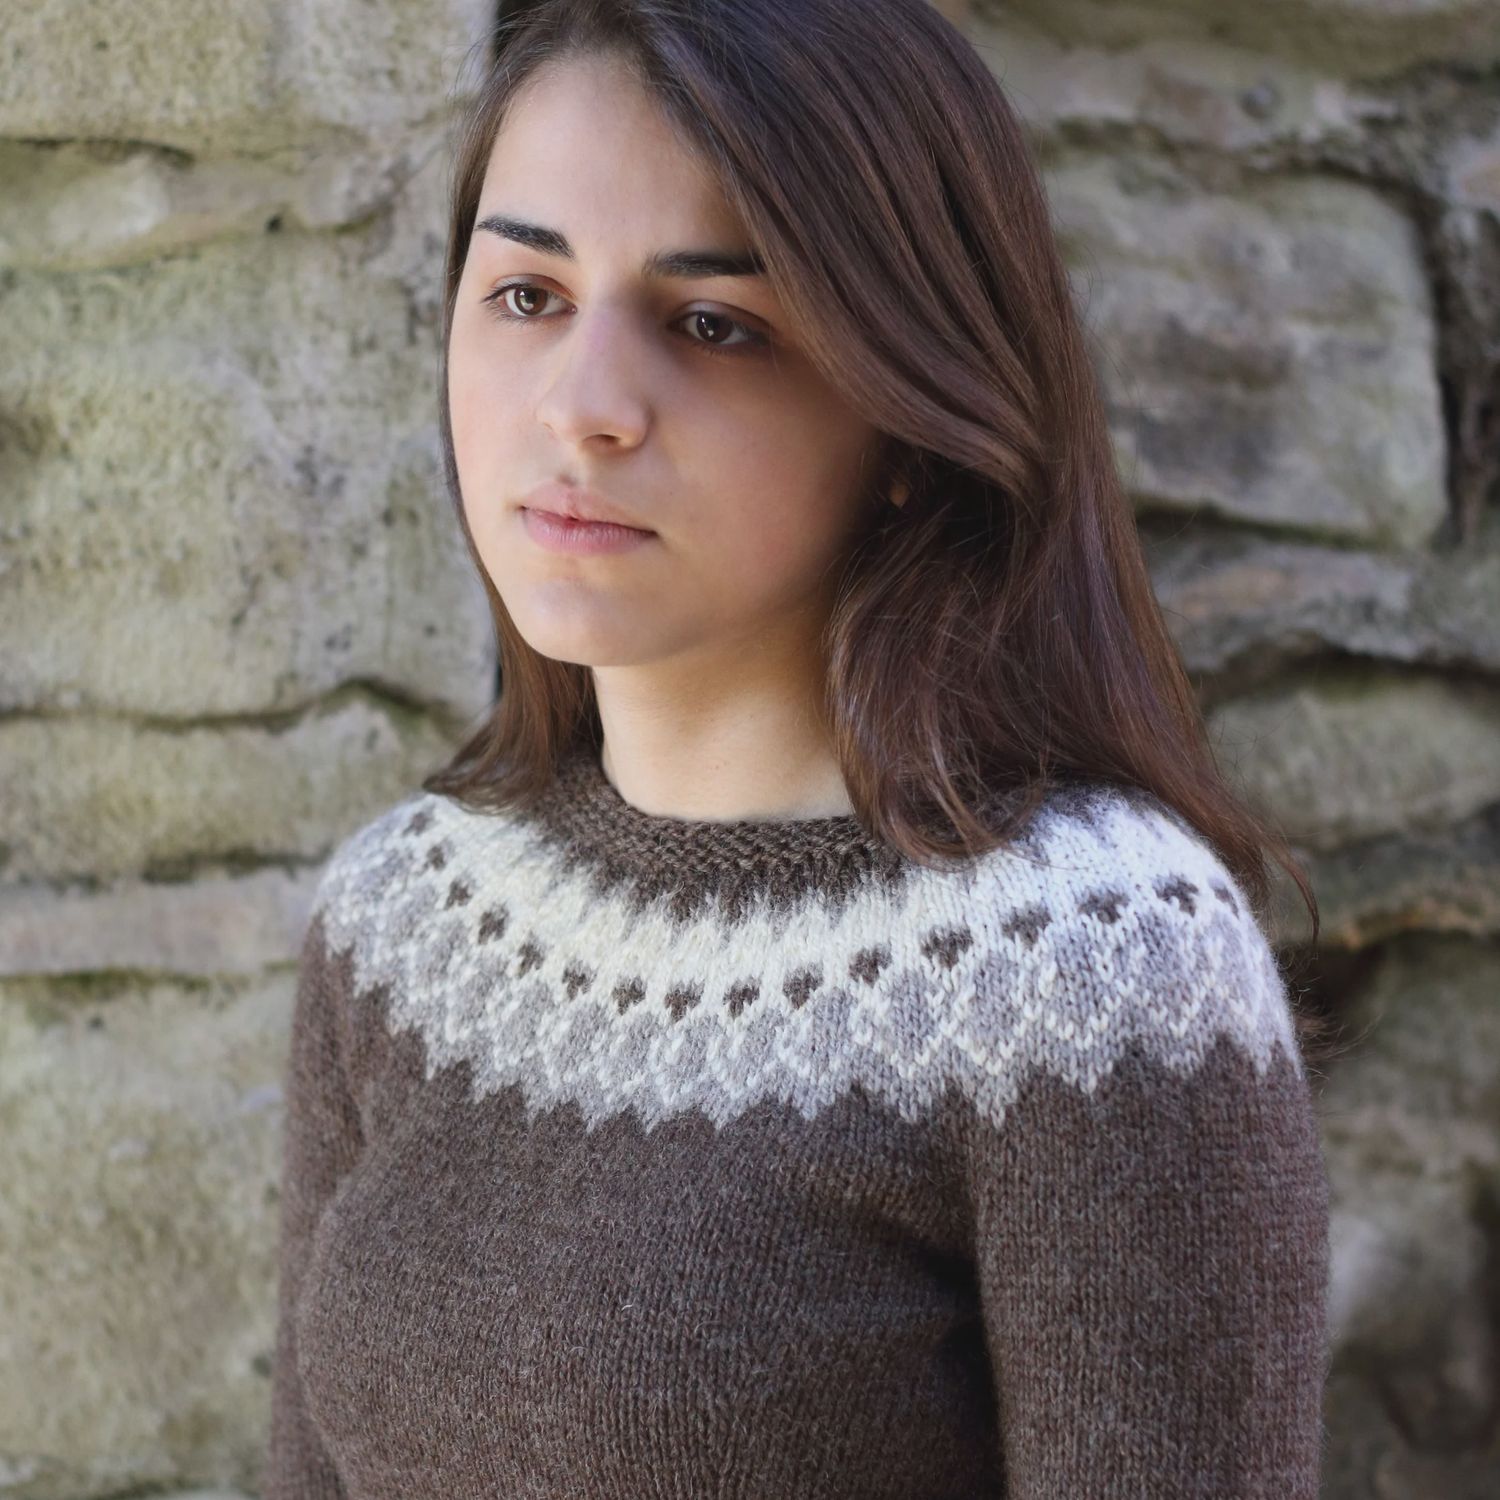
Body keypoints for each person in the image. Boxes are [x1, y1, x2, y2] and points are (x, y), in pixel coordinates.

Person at [264, 1, 1332, 1496]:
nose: (582, 409)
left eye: (714, 325)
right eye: (525, 295)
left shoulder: (1092, 971)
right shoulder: (401, 923)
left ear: (910, 413)